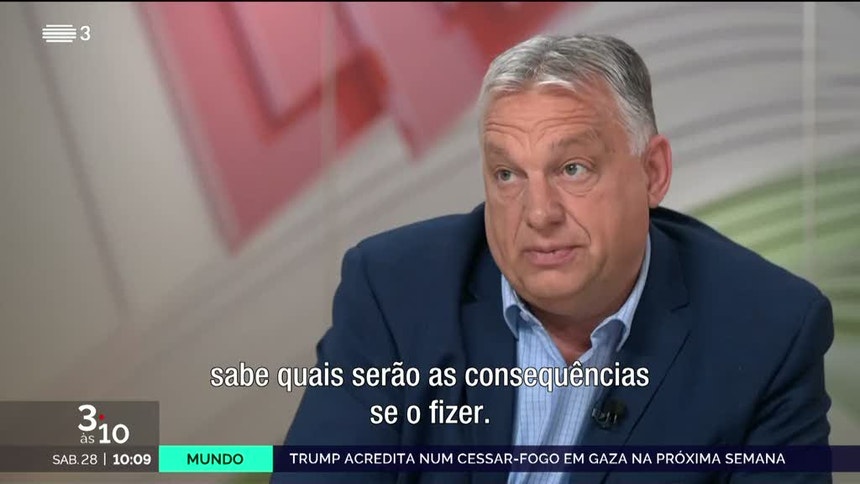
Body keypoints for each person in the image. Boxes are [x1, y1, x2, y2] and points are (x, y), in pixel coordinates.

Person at [273, 34, 833, 483]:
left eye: (573, 169)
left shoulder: (768, 332)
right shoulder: (394, 291)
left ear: (652, 173)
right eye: (507, 174)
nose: (539, 213)